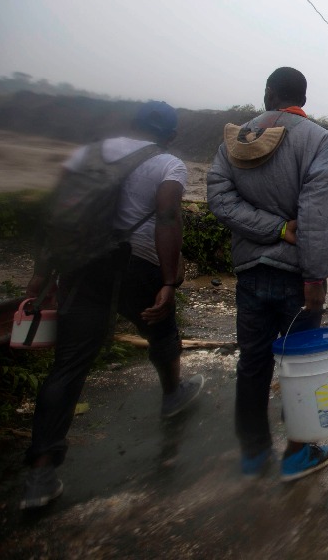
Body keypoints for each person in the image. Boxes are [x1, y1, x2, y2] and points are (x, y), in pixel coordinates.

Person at [21, 101, 203, 510]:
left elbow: (57, 215)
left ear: (133, 124)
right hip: (136, 265)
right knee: (161, 328)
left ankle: (41, 474)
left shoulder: (88, 153)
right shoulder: (168, 164)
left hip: (81, 268)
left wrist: (40, 275)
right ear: (170, 135)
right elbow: (168, 218)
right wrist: (170, 281)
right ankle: (173, 395)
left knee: (68, 365)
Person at [207, 67, 328, 481]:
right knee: (302, 367)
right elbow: (315, 214)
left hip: (249, 271)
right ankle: (297, 454)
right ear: (302, 96)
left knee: (252, 363)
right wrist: (315, 276)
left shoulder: (236, 138)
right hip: (297, 276)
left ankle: (253, 455)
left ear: (268, 93)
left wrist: (267, 228)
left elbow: (218, 197)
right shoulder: (320, 140)